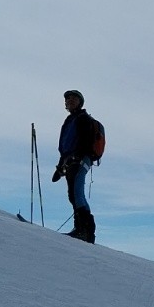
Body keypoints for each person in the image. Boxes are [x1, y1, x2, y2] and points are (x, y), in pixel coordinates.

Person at [52, 89, 99, 243]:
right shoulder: (69, 121)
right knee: (73, 194)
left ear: (80, 102)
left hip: (81, 159)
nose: (70, 101)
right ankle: (81, 230)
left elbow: (85, 141)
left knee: (77, 193)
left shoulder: (83, 118)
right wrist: (60, 167)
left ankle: (85, 231)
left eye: (73, 99)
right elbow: (64, 147)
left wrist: (78, 155)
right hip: (71, 161)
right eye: (68, 99)